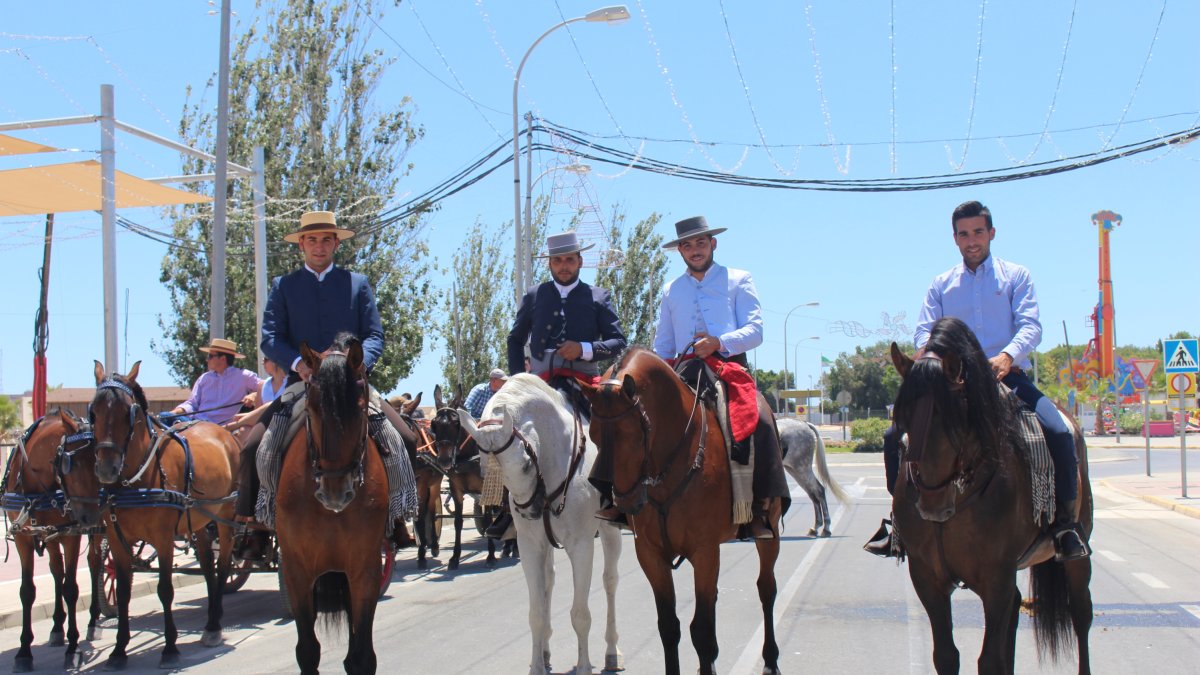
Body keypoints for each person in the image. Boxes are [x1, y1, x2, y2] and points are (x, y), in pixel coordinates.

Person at [865, 200, 1088, 560]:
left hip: (1008, 378)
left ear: (992, 233)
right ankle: (900, 525)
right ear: (954, 238)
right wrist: (927, 360)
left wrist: (1006, 356)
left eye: (978, 232)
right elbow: (926, 330)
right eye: (964, 234)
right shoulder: (941, 285)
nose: (972, 240)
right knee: (895, 435)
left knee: (1059, 431)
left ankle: (1064, 527)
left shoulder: (1016, 276)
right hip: (953, 385)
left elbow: (1031, 325)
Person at [234, 210, 414, 560]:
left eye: (326, 240)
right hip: (302, 385)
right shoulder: (283, 287)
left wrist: (353, 362)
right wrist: (299, 363)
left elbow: (375, 335)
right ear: (301, 244)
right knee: (252, 448)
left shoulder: (357, 283)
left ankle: (394, 518)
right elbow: (270, 337)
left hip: (349, 386)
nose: (319, 247)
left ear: (336, 244)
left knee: (404, 439)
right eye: (312, 240)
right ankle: (255, 525)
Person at [596, 216, 789, 539]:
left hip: (729, 369)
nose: (695, 250)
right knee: (626, 419)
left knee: (761, 419)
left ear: (713, 243)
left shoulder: (738, 279)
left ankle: (760, 506)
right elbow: (663, 344)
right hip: (681, 370)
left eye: (701, 243)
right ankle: (615, 497)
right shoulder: (672, 290)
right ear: (680, 251)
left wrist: (719, 342)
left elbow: (756, 331)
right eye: (687, 245)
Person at [506, 231, 627, 380]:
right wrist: (519, 380)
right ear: (549, 263)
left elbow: (619, 343)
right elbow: (515, 340)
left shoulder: (599, 296)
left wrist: (583, 349)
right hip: (538, 382)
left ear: (580, 261)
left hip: (585, 379)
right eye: (557, 260)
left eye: (570, 259)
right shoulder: (534, 295)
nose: (563, 266)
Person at [168, 338, 261, 426]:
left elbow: (268, 387)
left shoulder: (244, 376)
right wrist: (174, 413)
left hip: (221, 428)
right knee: (164, 417)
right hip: (195, 423)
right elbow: (192, 404)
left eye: (210, 356)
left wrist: (255, 394)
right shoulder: (204, 378)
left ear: (223, 359)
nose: (207, 359)